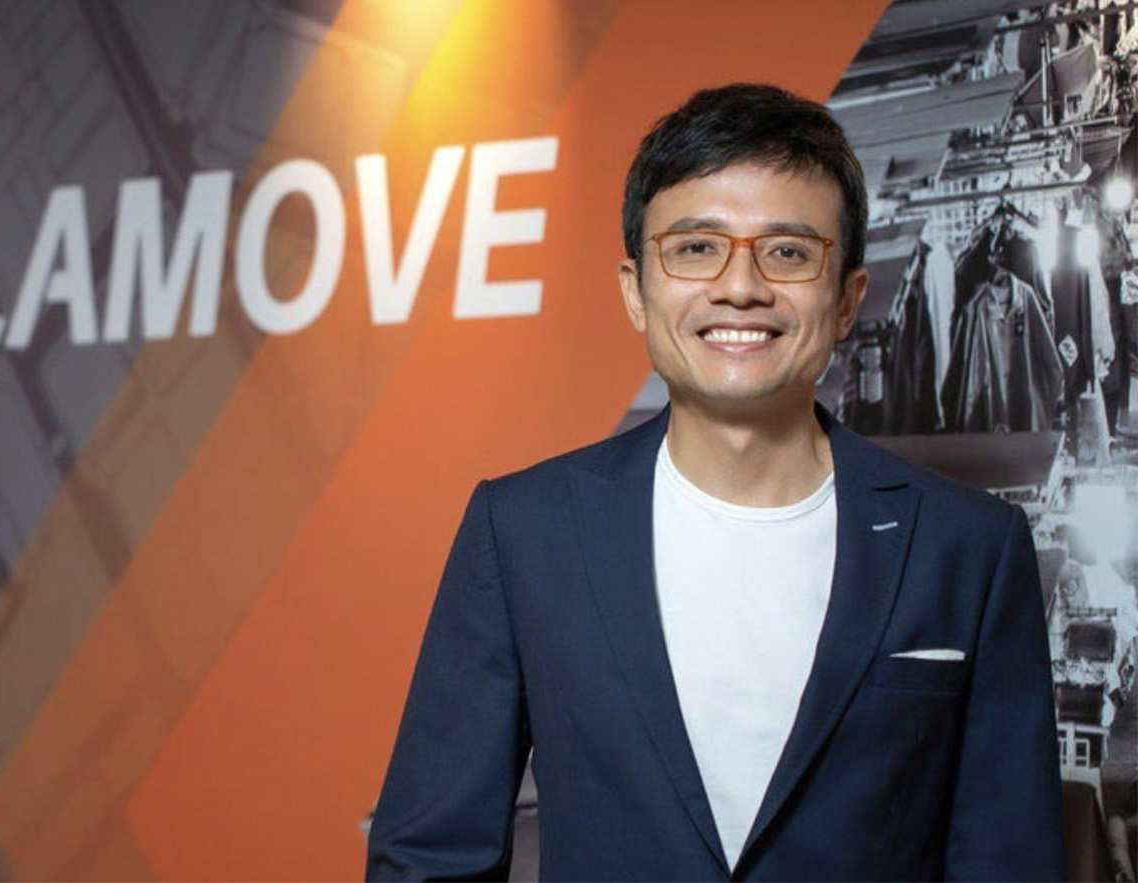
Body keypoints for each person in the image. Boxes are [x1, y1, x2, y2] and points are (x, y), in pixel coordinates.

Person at [366, 84, 1063, 882]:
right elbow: (429, 858)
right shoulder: (525, 531)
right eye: (696, 248)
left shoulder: (969, 548)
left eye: (788, 252)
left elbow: (1012, 862)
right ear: (635, 291)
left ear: (847, 301)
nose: (740, 286)